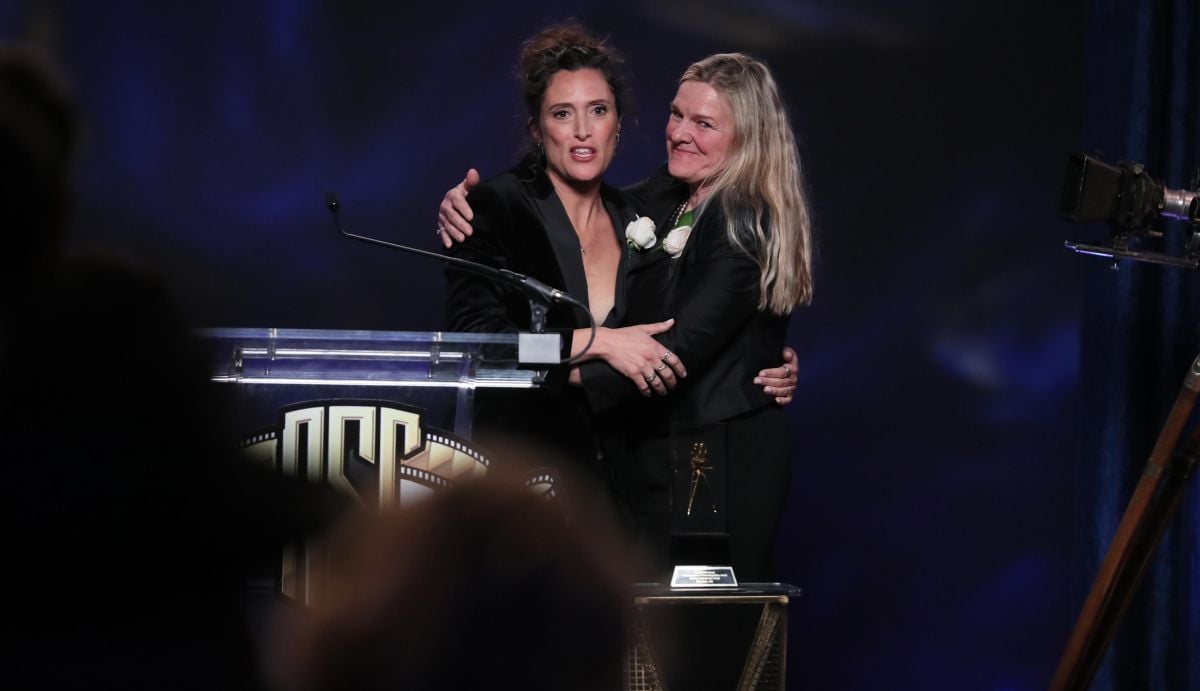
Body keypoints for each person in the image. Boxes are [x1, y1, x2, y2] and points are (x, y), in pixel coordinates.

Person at [441, 49, 813, 581]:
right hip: (537, 470)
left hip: (677, 470)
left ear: (618, 123)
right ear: (536, 127)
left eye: (598, 110)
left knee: (690, 623)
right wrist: (594, 344)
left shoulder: (676, 215)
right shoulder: (642, 204)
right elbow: (481, 348)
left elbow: (674, 347)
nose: (680, 133)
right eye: (562, 113)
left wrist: (758, 352)